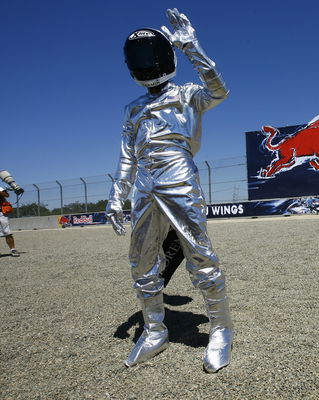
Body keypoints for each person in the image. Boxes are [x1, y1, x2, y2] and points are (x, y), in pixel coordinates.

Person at [106, 8, 233, 372]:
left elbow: (219, 90)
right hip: (144, 186)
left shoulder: (188, 94)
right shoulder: (132, 110)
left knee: (199, 254)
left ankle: (221, 330)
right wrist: (117, 197)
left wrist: (191, 46)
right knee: (143, 260)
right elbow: (127, 157)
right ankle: (154, 330)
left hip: (178, 175)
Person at [0, 189, 19, 257]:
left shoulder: (0, 188)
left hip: (2, 213)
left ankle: (13, 249)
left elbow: (7, 195)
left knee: (7, 232)